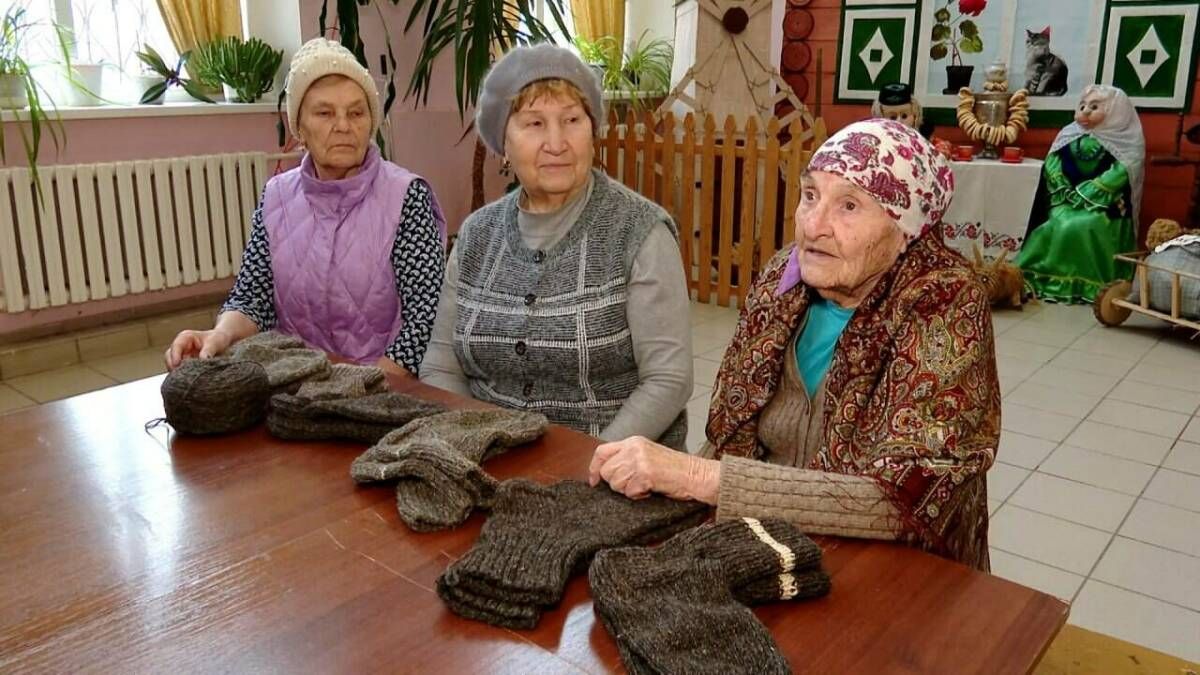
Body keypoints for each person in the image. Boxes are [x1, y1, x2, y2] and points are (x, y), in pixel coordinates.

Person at [589, 119, 1001, 571]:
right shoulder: (783, 280)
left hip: (897, 568)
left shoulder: (944, 302)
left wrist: (694, 476)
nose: (813, 225)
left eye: (848, 205)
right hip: (773, 542)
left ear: (906, 230)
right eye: (810, 195)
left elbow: (899, 500)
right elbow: (732, 439)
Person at [420, 44, 693, 449]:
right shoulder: (477, 234)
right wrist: (475, 444)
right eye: (534, 123)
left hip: (612, 460)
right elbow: (440, 367)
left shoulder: (639, 231)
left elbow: (668, 380)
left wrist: (586, 464)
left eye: (571, 120)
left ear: (592, 131)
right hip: (489, 456)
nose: (556, 142)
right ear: (503, 143)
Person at [165, 37, 447, 375]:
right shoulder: (277, 197)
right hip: (295, 379)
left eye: (356, 112)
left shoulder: (406, 197)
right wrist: (220, 333)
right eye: (325, 113)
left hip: (381, 384)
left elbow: (425, 320)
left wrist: (367, 385)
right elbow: (253, 297)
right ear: (299, 127)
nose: (343, 126)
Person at [1016, 84, 1145, 304]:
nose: (1085, 111)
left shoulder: (1126, 142)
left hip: (1105, 206)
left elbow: (1122, 172)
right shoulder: (1070, 134)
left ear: (1116, 112)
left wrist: (1094, 189)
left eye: (1094, 107)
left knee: (1081, 225)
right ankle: (1040, 276)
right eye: (1083, 105)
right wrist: (1060, 183)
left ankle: (1086, 283)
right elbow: (1053, 161)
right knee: (1054, 223)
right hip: (1067, 200)